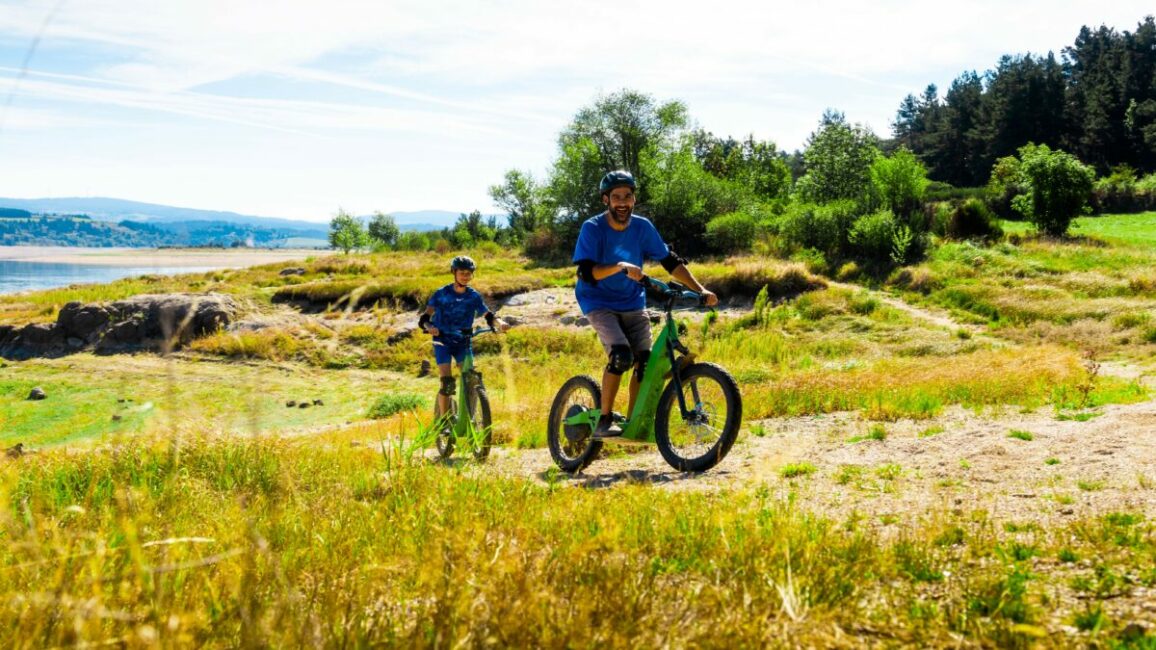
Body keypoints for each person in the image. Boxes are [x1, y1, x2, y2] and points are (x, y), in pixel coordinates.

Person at [573, 169, 718, 437]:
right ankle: (604, 420)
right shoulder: (592, 228)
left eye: (627, 196)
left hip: (632, 300)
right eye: (616, 197)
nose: (622, 202)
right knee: (621, 356)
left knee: (645, 361)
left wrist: (700, 290)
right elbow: (586, 273)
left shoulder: (642, 227)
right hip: (597, 300)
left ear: (634, 199)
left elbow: (670, 262)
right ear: (606, 200)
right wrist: (618, 266)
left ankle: (633, 422)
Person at [418, 255, 505, 420]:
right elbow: (424, 319)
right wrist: (431, 328)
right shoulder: (441, 294)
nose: (465, 276)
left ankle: (469, 417)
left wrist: (500, 323)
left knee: (471, 380)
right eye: (462, 272)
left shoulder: (473, 296)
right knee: (447, 383)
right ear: (454, 272)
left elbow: (488, 315)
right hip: (442, 341)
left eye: (469, 273)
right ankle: (444, 421)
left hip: (463, 341)